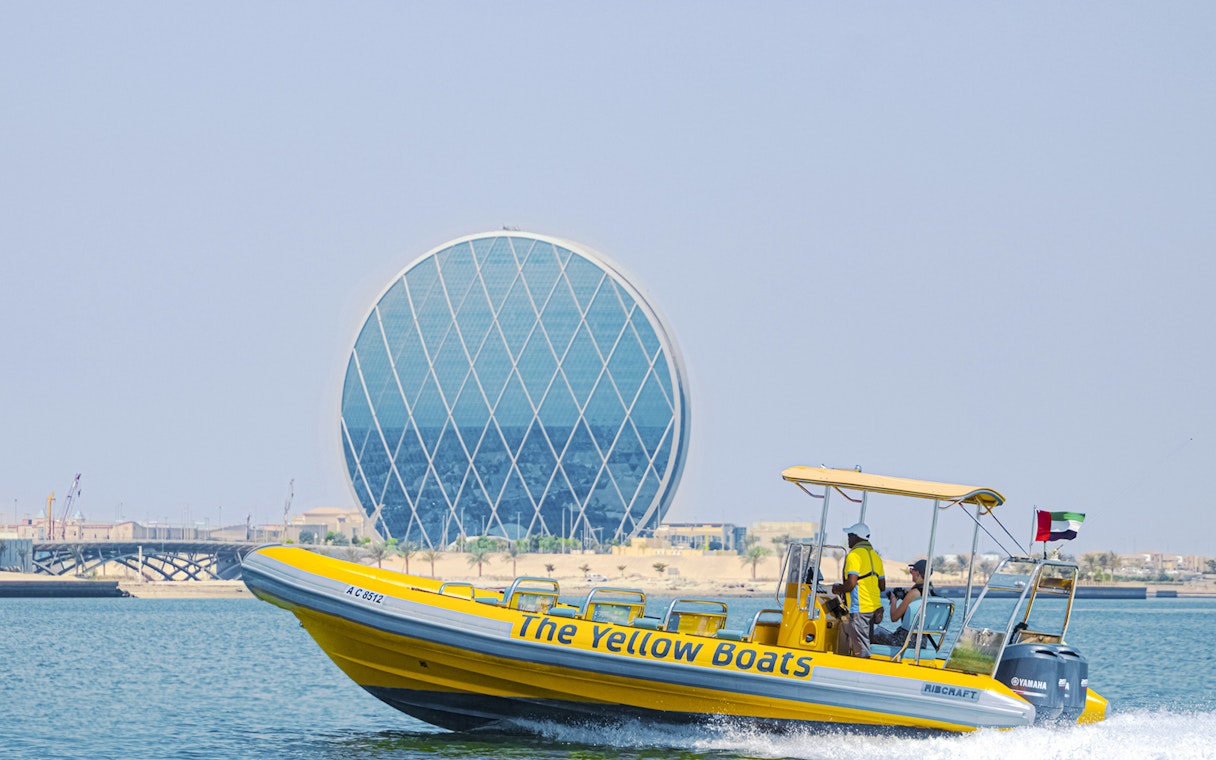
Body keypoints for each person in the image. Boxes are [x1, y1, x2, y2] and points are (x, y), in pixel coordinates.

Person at [831, 522, 885, 657]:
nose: (848, 538)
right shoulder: (876, 557)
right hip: (874, 608)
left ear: (856, 537)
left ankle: (862, 672)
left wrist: (837, 589)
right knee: (864, 642)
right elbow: (882, 586)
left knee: (861, 649)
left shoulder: (854, 555)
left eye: (850, 535)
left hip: (860, 608)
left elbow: (851, 584)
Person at [874, 559, 934, 646]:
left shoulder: (914, 592)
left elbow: (894, 618)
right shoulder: (929, 591)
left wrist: (893, 600)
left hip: (905, 641)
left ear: (917, 573)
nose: (911, 573)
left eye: (912, 571)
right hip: (921, 642)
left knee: (873, 634)